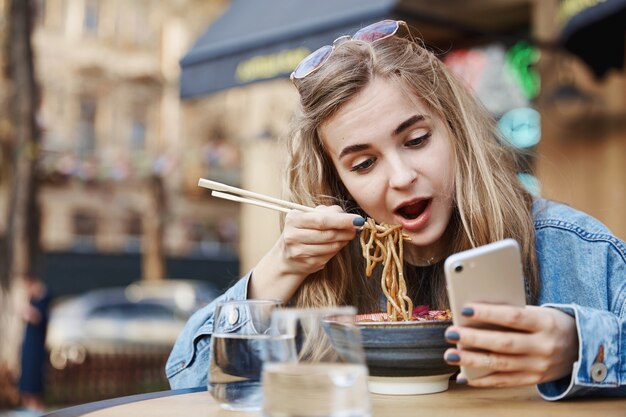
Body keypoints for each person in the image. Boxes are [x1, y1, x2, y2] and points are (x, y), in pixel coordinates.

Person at [166, 20, 626, 400]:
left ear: (456, 132)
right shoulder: (325, 273)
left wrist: (578, 344)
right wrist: (278, 269)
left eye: (417, 140)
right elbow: (186, 376)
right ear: (338, 182)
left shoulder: (573, 247)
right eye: (364, 164)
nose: (401, 176)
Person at [19, 275, 51, 412]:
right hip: (29, 344)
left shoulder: (43, 300)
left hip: (36, 345)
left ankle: (36, 407)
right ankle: (28, 407)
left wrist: (28, 312)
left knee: (34, 375)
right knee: (26, 375)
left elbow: (38, 318)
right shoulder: (32, 300)